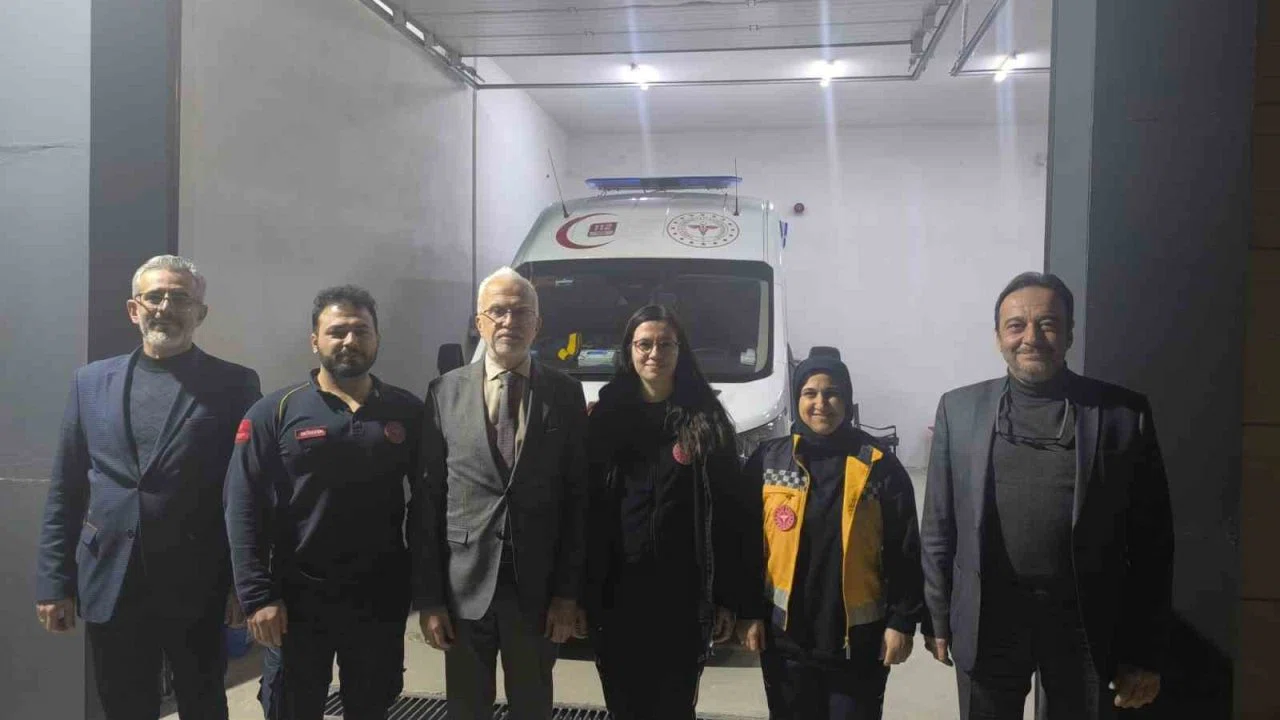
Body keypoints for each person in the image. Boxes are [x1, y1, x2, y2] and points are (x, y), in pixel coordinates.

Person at [920, 272, 1174, 719]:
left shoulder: (1122, 415)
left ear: (1070, 333)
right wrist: (937, 616)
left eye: (1048, 324)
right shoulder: (958, 410)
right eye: (1016, 325)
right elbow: (939, 527)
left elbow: (1152, 544)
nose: (1031, 338)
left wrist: (1145, 650)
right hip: (989, 619)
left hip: (1085, 627)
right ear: (998, 336)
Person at [34, 255, 261, 720]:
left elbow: (248, 493)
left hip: (198, 582)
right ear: (133, 309)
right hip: (111, 579)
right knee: (122, 706)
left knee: (204, 704)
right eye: (154, 296)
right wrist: (54, 582)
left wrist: (245, 584)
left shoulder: (235, 384)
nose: (165, 307)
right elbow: (66, 488)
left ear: (200, 312)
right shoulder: (90, 383)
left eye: (180, 298)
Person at [224, 285, 422, 720]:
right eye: (337, 331)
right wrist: (257, 596)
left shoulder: (407, 411)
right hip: (297, 600)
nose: (349, 340)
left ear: (377, 338)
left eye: (361, 331)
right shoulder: (274, 412)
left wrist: (427, 592)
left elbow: (427, 507)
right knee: (291, 708)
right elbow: (242, 505)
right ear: (315, 340)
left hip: (379, 598)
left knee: (372, 707)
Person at [412, 266, 588, 720]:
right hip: (464, 588)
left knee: (533, 705)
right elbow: (428, 502)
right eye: (498, 311)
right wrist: (430, 600)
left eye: (521, 312)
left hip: (538, 590)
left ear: (537, 324)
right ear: (479, 322)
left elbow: (578, 500)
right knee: (466, 707)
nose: (510, 321)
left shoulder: (565, 394)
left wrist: (567, 595)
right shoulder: (443, 392)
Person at [580, 304, 762, 720]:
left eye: (666, 344)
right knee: (624, 706)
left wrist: (727, 598)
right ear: (629, 350)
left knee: (675, 708)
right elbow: (585, 511)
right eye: (644, 344)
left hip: (682, 599)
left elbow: (731, 519)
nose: (654, 353)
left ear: (681, 351)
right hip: (616, 594)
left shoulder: (707, 422)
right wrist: (578, 593)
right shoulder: (604, 419)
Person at [738, 352, 924, 720]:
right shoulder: (768, 461)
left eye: (832, 393)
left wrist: (902, 621)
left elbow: (904, 550)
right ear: (797, 399)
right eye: (810, 393)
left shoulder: (879, 466)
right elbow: (745, 545)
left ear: (847, 400)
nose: (821, 403)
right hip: (787, 643)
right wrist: (748, 612)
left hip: (859, 645)